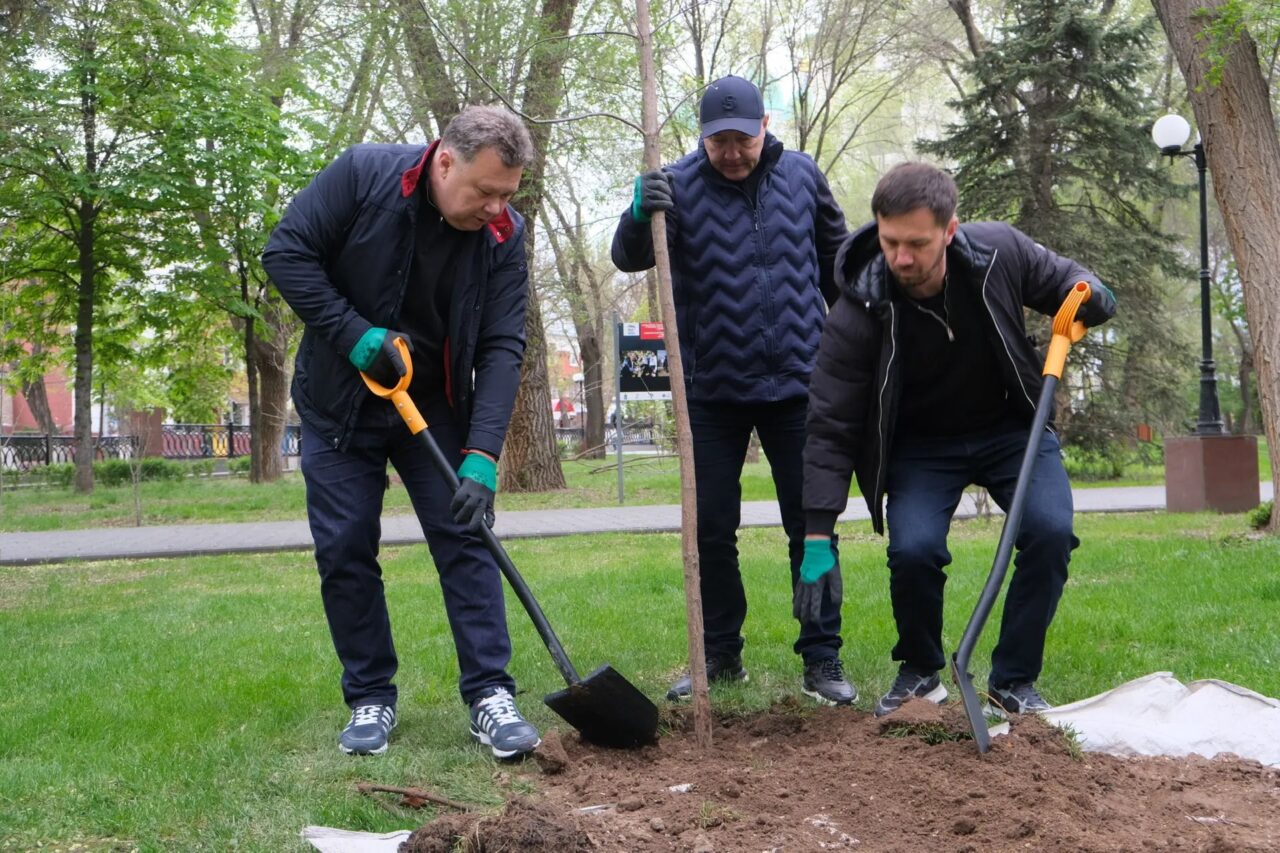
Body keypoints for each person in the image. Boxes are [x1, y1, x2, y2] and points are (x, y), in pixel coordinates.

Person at [262, 106, 542, 759]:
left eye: (508, 194)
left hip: (434, 405)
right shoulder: (364, 176)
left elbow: (504, 344)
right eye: (486, 191)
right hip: (340, 403)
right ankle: (370, 697)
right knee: (345, 548)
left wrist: (481, 455)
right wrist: (354, 335)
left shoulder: (505, 234)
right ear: (445, 161)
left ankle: (490, 694)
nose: (497, 207)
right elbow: (286, 251)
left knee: (466, 537)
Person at [799, 162, 1116, 717]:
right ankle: (920, 672)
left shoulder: (998, 252)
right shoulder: (859, 309)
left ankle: (1012, 681)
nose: (901, 258)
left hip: (1010, 427)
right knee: (914, 550)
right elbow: (830, 424)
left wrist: (1088, 297)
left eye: (917, 244)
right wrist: (817, 535)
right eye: (890, 240)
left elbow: (1073, 283)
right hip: (921, 447)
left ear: (949, 231)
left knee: (1050, 532)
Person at [612, 75, 855, 705]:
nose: (732, 153)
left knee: (812, 523)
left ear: (763, 127)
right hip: (711, 389)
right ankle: (719, 654)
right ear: (703, 137)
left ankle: (822, 657)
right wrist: (640, 212)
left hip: (800, 384)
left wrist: (855, 347)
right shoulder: (678, 185)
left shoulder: (802, 175)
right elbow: (626, 256)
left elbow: (839, 264)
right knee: (711, 528)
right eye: (718, 141)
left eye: (742, 140)